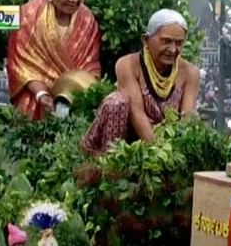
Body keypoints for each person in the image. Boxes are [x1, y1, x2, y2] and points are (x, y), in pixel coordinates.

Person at [81, 9, 200, 156]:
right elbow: (136, 112)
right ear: (146, 40)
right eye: (166, 41)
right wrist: (157, 153)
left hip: (168, 143)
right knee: (116, 102)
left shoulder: (190, 72)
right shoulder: (127, 65)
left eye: (179, 43)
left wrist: (176, 153)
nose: (173, 49)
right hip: (132, 141)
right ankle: (111, 163)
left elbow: (187, 116)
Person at [7, 0, 102, 120]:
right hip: (35, 98)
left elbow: (91, 64)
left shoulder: (87, 19)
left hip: (73, 100)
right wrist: (41, 94)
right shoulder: (27, 16)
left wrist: (75, 91)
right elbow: (20, 64)